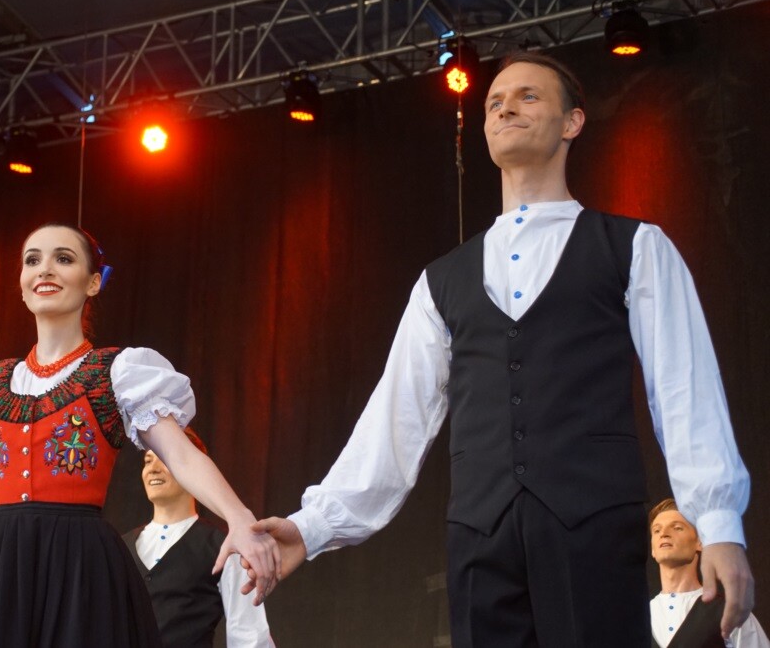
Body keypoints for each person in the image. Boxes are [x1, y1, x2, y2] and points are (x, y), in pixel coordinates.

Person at [248, 51, 754, 647]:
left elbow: (684, 390)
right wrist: (313, 526)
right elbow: (396, 418)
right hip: (480, 538)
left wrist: (719, 523)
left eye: (527, 96)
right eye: (493, 102)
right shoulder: (441, 281)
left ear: (572, 122)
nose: (505, 108)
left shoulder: (635, 247)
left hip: (591, 526)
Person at [0, 223, 279, 648]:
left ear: (93, 283)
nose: (44, 269)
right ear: (22, 285)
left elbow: (183, 457)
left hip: (76, 571)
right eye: (32, 260)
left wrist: (239, 518)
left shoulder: (117, 373)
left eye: (63, 259)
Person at [123, 426, 275, 648]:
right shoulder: (120, 547)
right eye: (147, 461)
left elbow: (249, 636)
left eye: (163, 459)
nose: (153, 469)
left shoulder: (224, 547)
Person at [650, 498, 768, 648]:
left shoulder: (729, 613)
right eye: (657, 530)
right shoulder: (638, 617)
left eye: (677, 528)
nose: (664, 534)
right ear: (653, 549)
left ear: (700, 542)